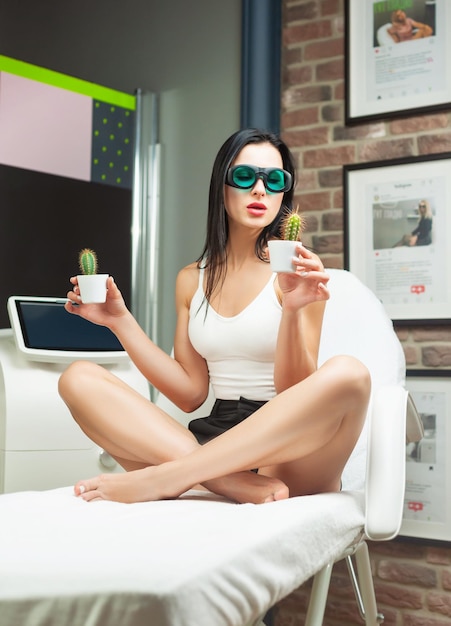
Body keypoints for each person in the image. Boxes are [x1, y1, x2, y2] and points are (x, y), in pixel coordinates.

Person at [58, 128, 371, 505]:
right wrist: (119, 320)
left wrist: (292, 308)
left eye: (274, 180)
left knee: (350, 373)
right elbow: (191, 394)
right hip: (215, 436)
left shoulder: (300, 273)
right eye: (244, 176)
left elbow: (295, 392)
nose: (260, 190)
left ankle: (172, 477)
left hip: (286, 446)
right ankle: (226, 481)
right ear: (221, 186)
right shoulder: (192, 278)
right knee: (78, 379)